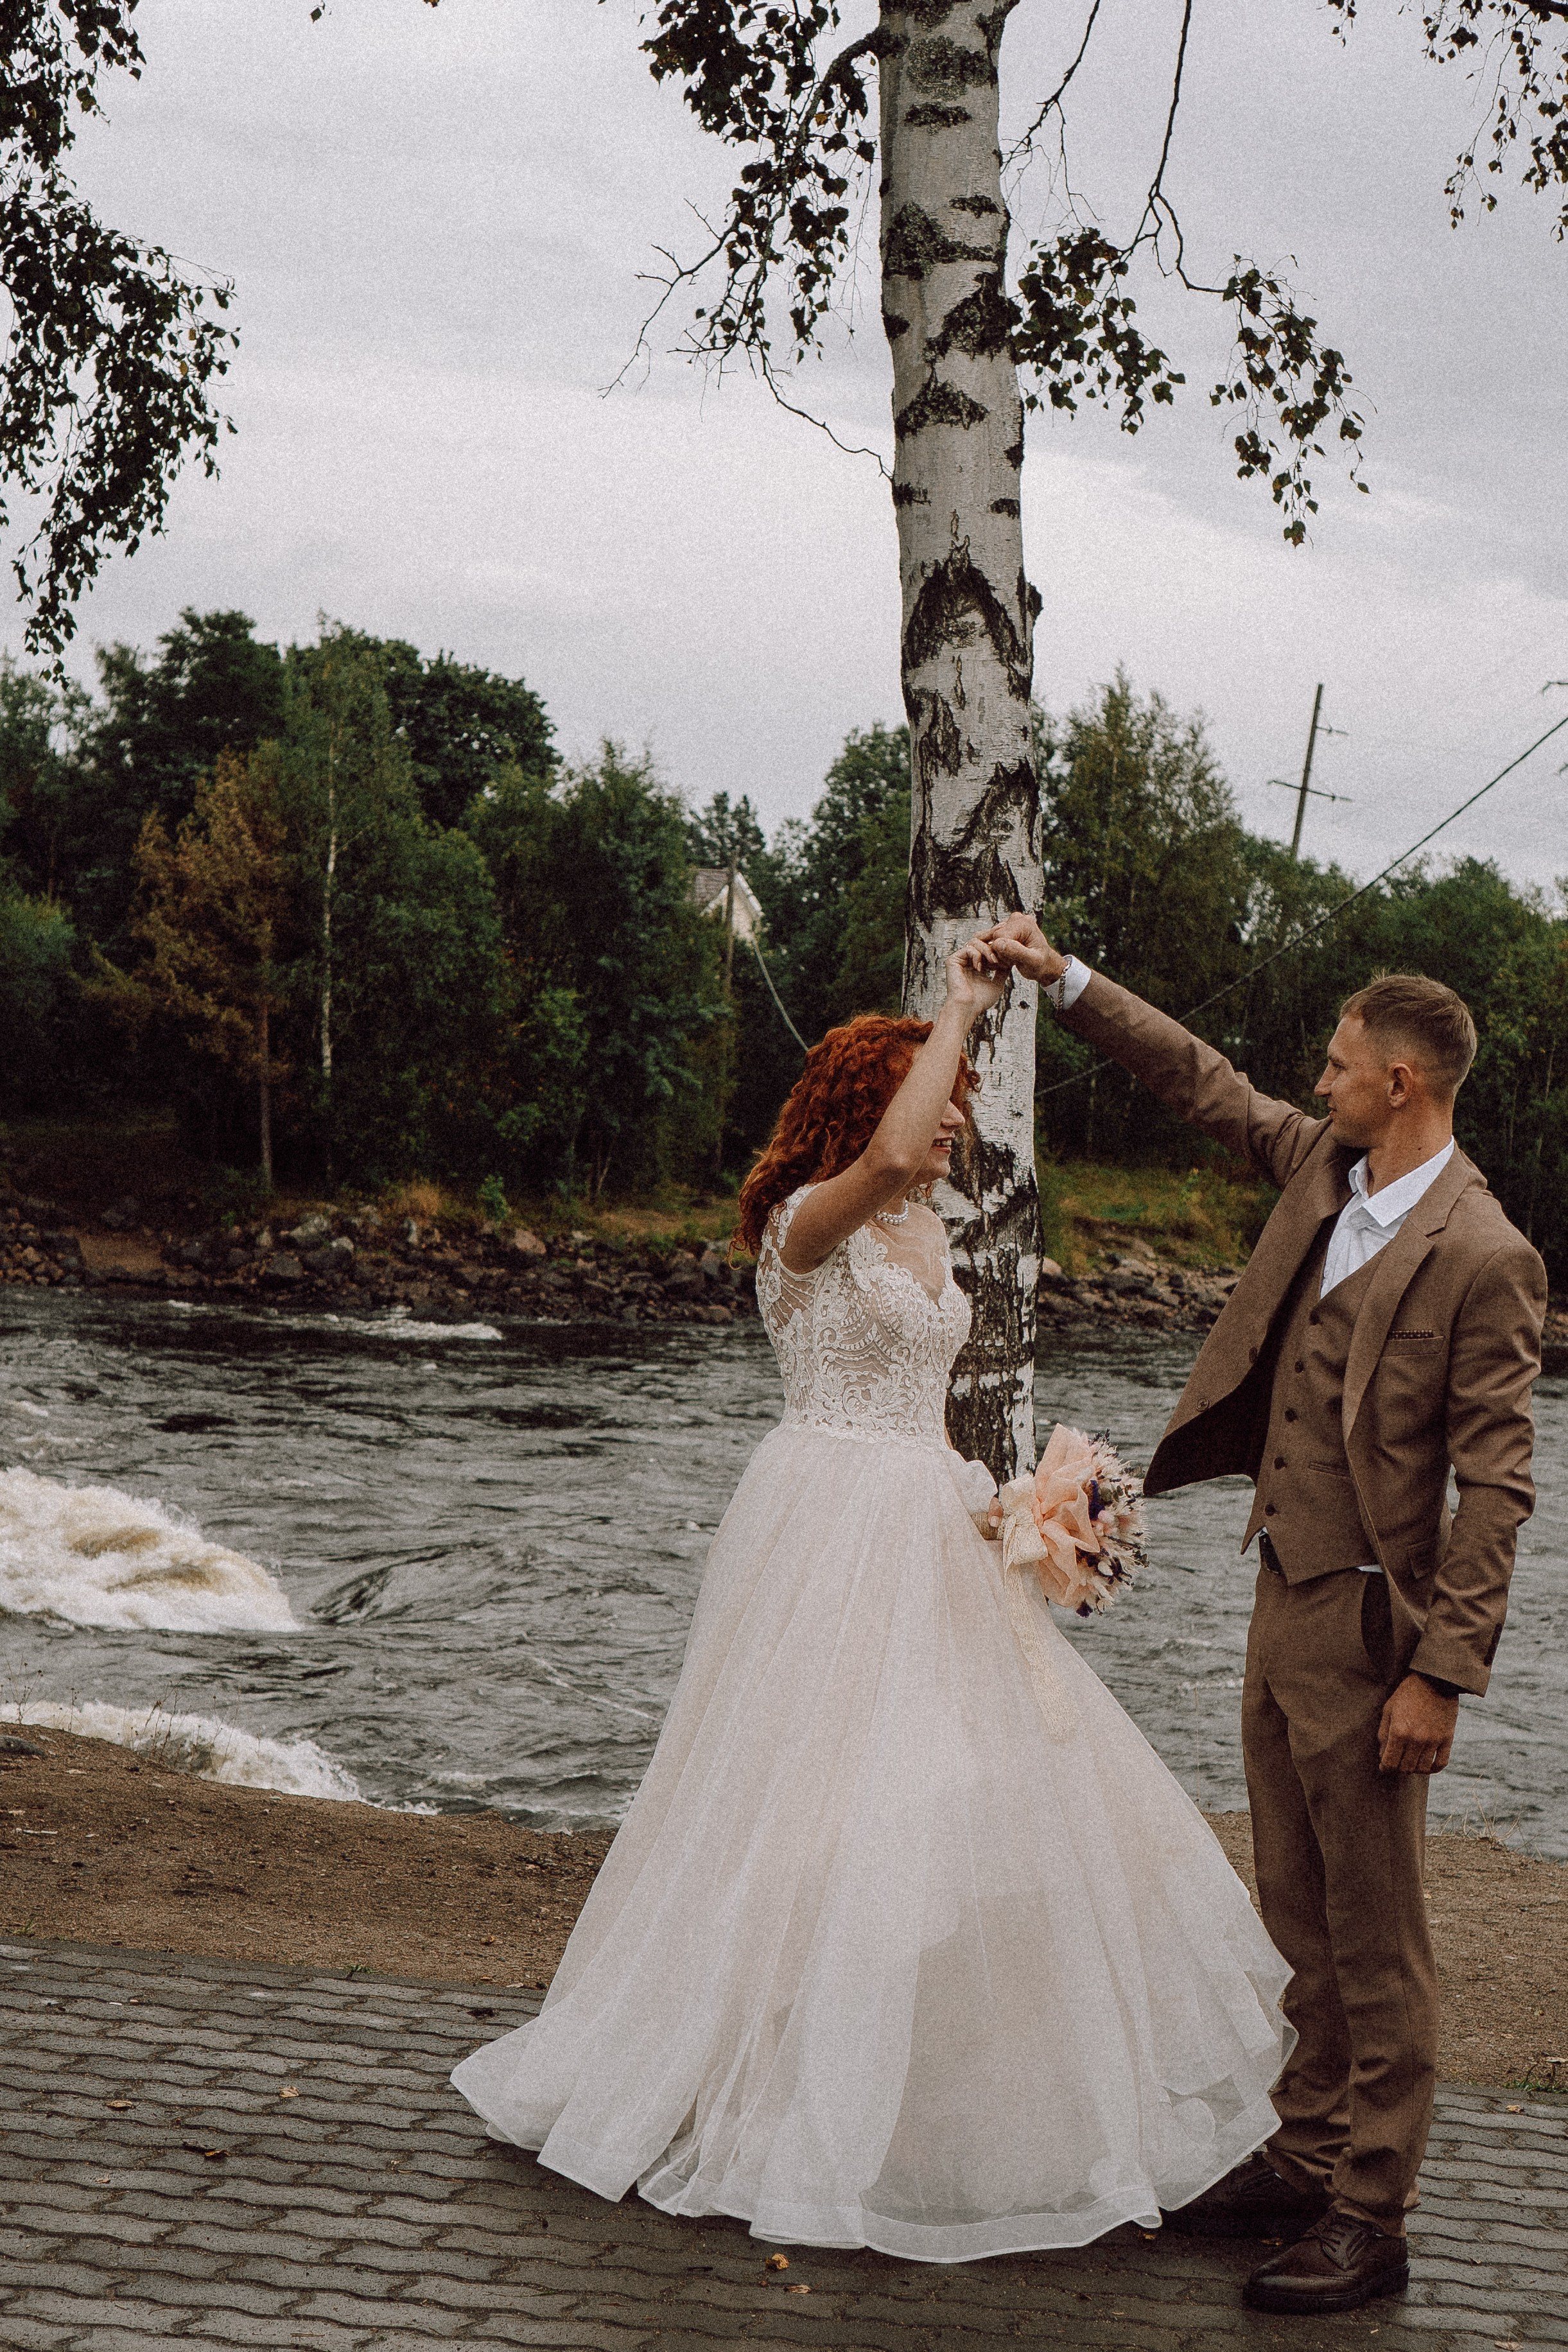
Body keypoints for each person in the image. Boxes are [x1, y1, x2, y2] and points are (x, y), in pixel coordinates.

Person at [451, 939, 1292, 2261]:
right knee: (805, 1797)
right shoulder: (810, 1220)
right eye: (937, 1097)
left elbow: (924, 1388)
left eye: (956, 1097)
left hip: (924, 1512)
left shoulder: (927, 1228)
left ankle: (913, 2090)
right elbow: (898, 1155)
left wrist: (1020, 1511)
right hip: (825, 1521)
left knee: (951, 1792)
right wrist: (959, 1004)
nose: (954, 1118)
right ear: (867, 1102)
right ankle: (767, 2083)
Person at [981, 917, 1546, 2316]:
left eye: (1342, 1063)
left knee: (1377, 1932)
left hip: (1372, 1633)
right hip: (1279, 1596)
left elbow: (1497, 1489)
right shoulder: (1326, 1169)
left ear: (1402, 1082)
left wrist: (1440, 1676)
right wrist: (1065, 977)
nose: (1321, 1079)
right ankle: (1304, 2154)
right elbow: (1201, 1078)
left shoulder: (1485, 1253)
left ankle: (1372, 2209)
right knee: (1294, 1905)